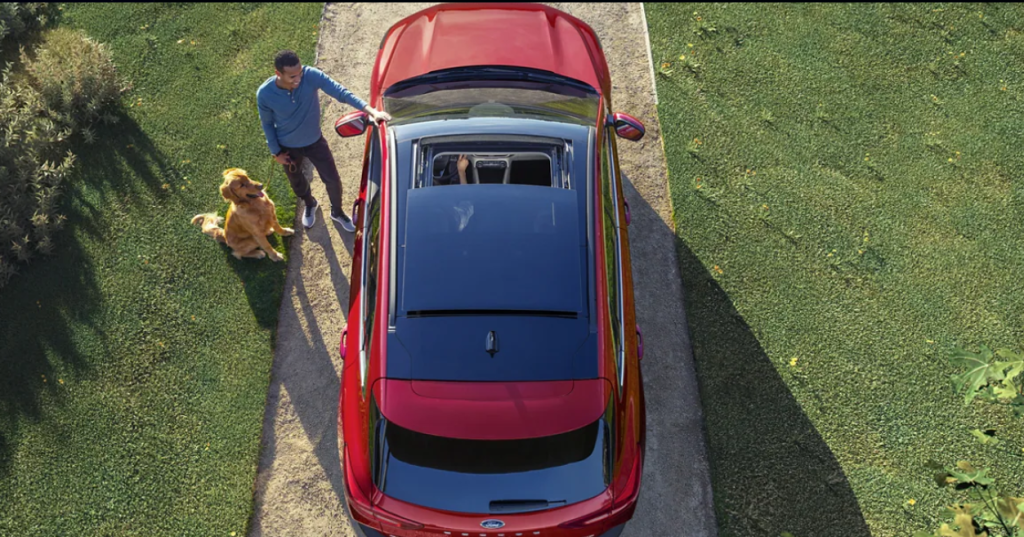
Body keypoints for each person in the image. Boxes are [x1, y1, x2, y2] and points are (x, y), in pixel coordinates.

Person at [257, 50, 390, 231]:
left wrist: (372, 111)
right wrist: (276, 152)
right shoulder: (265, 94)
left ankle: (337, 212)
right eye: (292, 76)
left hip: (315, 141)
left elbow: (341, 92)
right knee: (297, 183)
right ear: (278, 73)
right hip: (287, 147)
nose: (298, 78)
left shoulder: (310, 76)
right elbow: (267, 124)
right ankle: (310, 204)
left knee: (333, 180)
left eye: (300, 72)